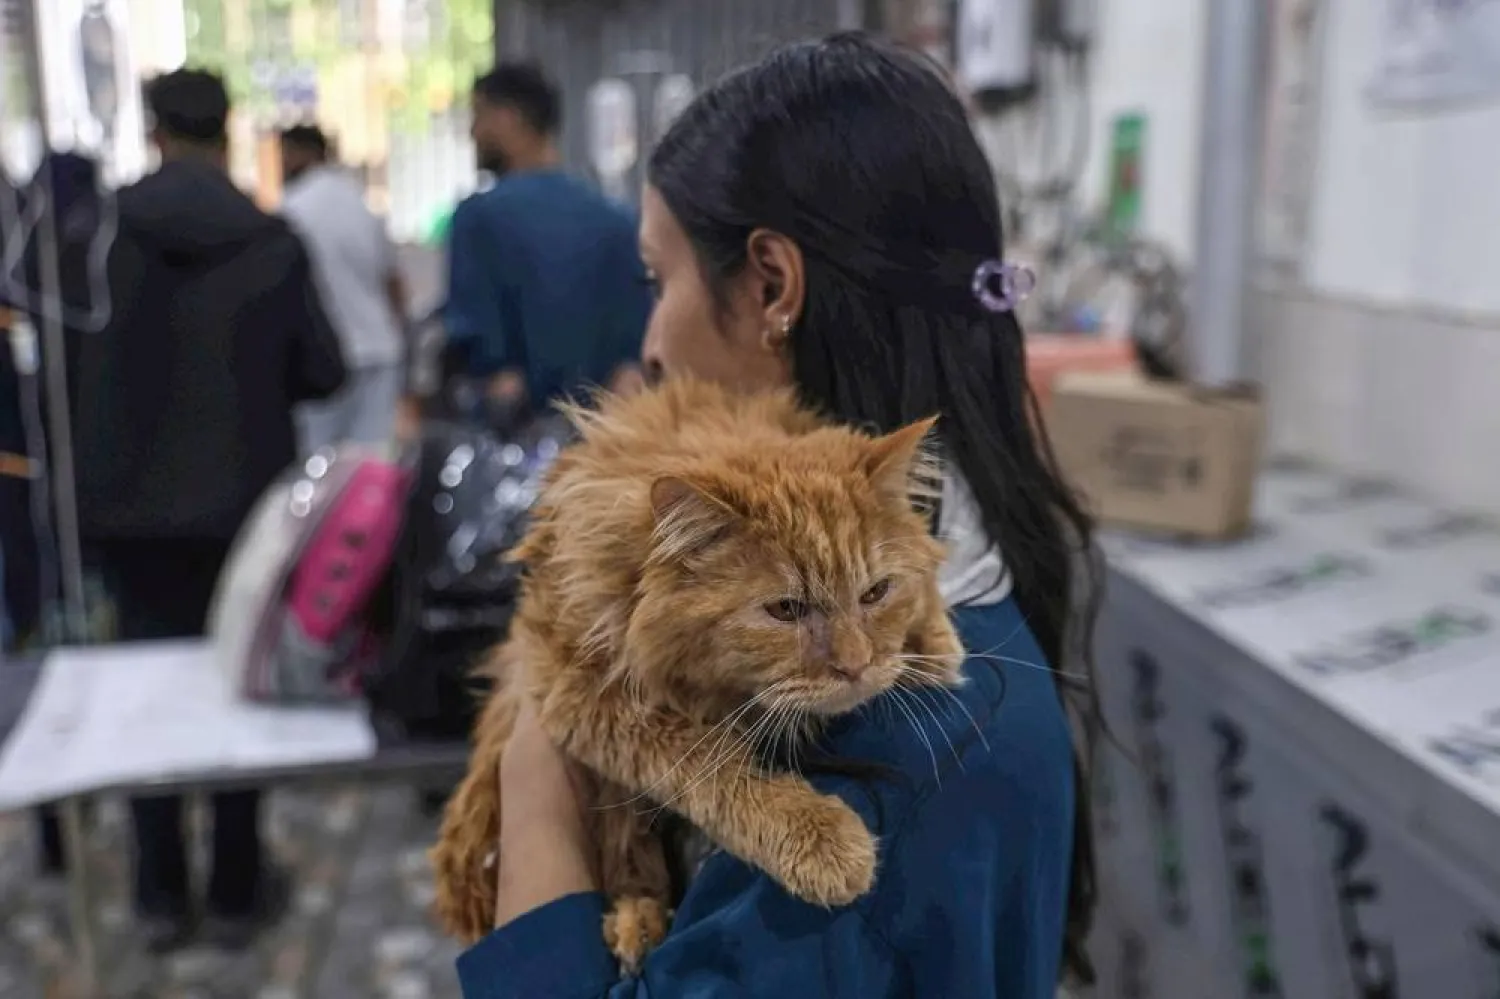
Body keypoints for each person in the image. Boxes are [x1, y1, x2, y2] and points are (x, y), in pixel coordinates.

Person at [455, 33, 1099, 999]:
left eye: (656, 280)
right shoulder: (953, 562)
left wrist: (540, 765)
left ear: (769, 288)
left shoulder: (877, 754)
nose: (651, 342)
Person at [69, 68, 346, 951]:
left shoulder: (93, 235)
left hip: (123, 514)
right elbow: (324, 369)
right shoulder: (271, 237)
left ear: (152, 130)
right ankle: (235, 888)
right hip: (243, 508)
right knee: (240, 687)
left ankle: (156, 893)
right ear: (229, 133)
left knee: (142, 693)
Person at [445, 62, 650, 427]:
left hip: (512, 437)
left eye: (479, 116)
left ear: (509, 118)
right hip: (600, 438)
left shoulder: (478, 219)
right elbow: (634, 352)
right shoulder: (618, 220)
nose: (473, 133)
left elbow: (477, 345)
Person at [279, 124, 410, 452]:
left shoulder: (291, 209)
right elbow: (392, 282)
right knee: (370, 462)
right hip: (379, 351)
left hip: (323, 358)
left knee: (317, 468)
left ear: (300, 153)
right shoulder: (361, 203)